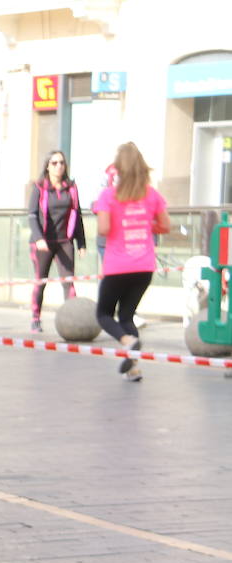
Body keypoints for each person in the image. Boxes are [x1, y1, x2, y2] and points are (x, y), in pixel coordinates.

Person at [92, 141, 168, 382]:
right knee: (126, 316)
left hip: (118, 266)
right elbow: (165, 225)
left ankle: (128, 341)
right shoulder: (151, 195)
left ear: (119, 169)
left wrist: (118, 224)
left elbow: (103, 228)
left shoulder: (108, 196)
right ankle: (134, 368)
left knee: (104, 314)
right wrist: (145, 225)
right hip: (144, 266)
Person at [27, 150, 87, 333]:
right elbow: (32, 215)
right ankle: (35, 319)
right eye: (54, 163)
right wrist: (38, 238)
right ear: (48, 166)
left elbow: (77, 215)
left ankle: (73, 319)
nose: (59, 166)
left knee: (68, 282)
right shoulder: (39, 187)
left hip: (64, 241)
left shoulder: (71, 187)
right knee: (41, 281)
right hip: (43, 243)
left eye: (62, 162)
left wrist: (81, 243)